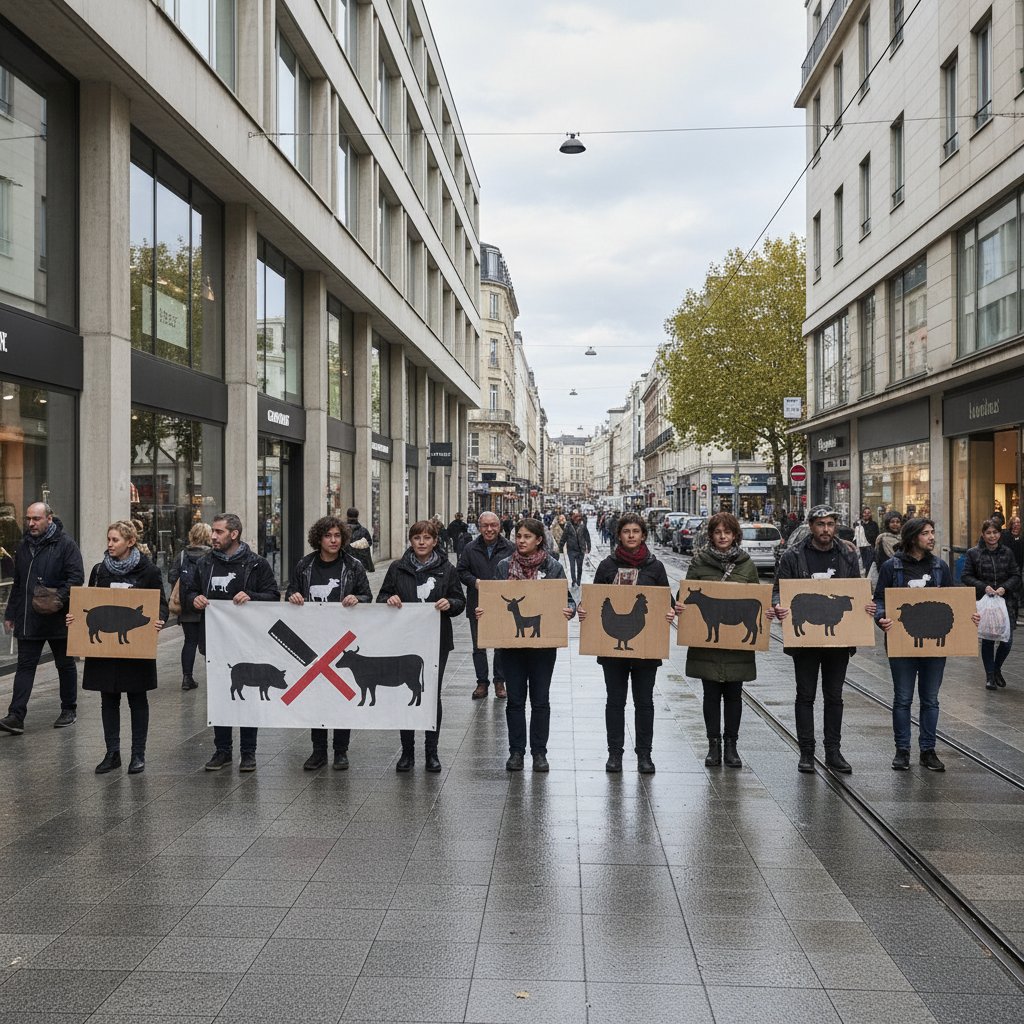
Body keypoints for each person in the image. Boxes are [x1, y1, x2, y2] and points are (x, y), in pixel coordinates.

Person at [770, 504, 875, 774]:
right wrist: (779, 606)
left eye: (830, 524)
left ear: (835, 525)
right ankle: (806, 752)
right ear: (811, 526)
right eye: (820, 524)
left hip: (838, 641)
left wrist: (867, 605)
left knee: (834, 696)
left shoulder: (848, 554)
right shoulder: (794, 555)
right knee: (805, 695)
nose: (826, 529)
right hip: (805, 642)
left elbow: (859, 587)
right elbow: (777, 591)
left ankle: (833, 751)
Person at [875, 518, 980, 770]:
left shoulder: (940, 566)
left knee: (930, 699)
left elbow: (952, 600)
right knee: (902, 698)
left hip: (934, 644)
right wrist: (881, 617)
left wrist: (970, 615)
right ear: (912, 538)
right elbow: (879, 599)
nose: (932, 537)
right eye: (926, 533)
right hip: (902, 644)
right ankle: (902, 750)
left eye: (933, 532)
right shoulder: (892, 567)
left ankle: (928, 750)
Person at [68, 520, 167, 774]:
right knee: (108, 699)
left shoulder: (149, 572)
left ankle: (138, 755)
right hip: (106, 651)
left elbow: (161, 605)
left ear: (130, 542)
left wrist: (159, 619)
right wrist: (75, 617)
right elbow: (87, 600)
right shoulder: (100, 570)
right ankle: (112, 753)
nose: (110, 544)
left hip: (135, 648)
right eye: (109, 540)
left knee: (137, 698)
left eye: (115, 540)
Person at [579, 512, 674, 774]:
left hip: (646, 649)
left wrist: (669, 612)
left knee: (644, 702)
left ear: (643, 535)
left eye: (636, 531)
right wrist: (584, 610)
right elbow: (595, 601)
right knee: (615, 701)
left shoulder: (655, 567)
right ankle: (615, 754)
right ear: (618, 535)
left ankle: (645, 754)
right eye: (626, 531)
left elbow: (669, 603)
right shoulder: (607, 566)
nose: (631, 536)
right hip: (612, 652)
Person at [183, 513, 280, 771]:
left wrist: (251, 596)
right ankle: (222, 750)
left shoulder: (257, 564)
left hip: (249, 643)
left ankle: (248, 752)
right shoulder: (204, 564)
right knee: (221, 696)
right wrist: (194, 599)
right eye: (213, 532)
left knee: (248, 696)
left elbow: (273, 596)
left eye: (219, 532)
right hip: (215, 643)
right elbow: (188, 592)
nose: (213, 536)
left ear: (233, 534)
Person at [479, 517, 576, 773]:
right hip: (511, 648)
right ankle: (516, 752)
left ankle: (539, 753)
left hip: (543, 648)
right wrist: (484, 611)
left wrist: (570, 610)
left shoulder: (553, 567)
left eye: (527, 537)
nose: (521, 541)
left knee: (541, 700)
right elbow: (494, 602)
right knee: (515, 701)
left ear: (539, 540)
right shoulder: (503, 566)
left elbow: (568, 598)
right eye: (518, 536)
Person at [377, 520, 464, 772]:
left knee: (431, 694)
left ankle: (431, 751)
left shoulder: (447, 568)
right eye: (417, 538)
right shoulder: (397, 567)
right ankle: (407, 752)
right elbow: (382, 596)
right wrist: (389, 599)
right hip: (404, 642)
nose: (422, 542)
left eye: (427, 538)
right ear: (411, 541)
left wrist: (451, 603)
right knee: (408, 693)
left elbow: (460, 600)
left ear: (435, 541)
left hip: (436, 640)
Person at [287, 515, 372, 769]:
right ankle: (318, 750)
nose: (333, 540)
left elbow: (367, 595)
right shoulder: (305, 565)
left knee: (341, 694)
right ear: (319, 539)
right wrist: (293, 596)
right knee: (317, 695)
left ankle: (341, 750)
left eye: (337, 536)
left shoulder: (353, 565)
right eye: (328, 536)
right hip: (313, 639)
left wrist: (358, 599)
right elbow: (292, 590)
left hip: (341, 640)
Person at [679, 512, 759, 769]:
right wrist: (679, 606)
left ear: (735, 535)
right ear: (711, 535)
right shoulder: (699, 563)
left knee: (735, 695)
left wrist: (768, 613)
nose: (722, 536)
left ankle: (731, 746)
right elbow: (683, 596)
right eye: (717, 532)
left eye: (727, 532)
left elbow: (759, 596)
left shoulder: (747, 565)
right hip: (707, 646)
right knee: (710, 695)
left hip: (737, 646)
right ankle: (713, 746)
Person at [0, 502, 85, 735]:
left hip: (58, 618)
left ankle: (69, 709)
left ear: (49, 517)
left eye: (36, 518)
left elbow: (76, 577)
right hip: (29, 618)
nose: (30, 523)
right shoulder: (24, 544)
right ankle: (16, 716)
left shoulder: (66, 544)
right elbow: (18, 583)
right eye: (28, 518)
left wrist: (58, 599)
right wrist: (11, 613)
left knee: (65, 664)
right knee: (25, 666)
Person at [456, 511, 514, 700]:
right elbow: (461, 571)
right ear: (479, 527)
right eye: (485, 526)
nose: (490, 529)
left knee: (500, 645)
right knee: (479, 646)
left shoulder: (510, 548)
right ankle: (482, 682)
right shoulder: (470, 548)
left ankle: (499, 682)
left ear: (499, 526)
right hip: (477, 603)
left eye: (493, 525)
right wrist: (475, 582)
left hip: (502, 605)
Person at [961, 518, 1021, 690]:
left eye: (995, 532)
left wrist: (1004, 587)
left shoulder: (1007, 552)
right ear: (983, 534)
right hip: (984, 601)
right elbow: (966, 576)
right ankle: (989, 675)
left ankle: (996, 668)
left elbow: (1016, 575)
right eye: (988, 532)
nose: (992, 536)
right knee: (987, 638)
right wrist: (982, 586)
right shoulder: (974, 553)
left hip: (1005, 601)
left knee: (1007, 639)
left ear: (1000, 534)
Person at [167, 522, 212, 691]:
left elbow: (172, 577)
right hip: (208, 606)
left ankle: (187, 678)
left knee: (190, 641)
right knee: (209, 643)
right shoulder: (213, 555)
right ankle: (213, 677)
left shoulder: (183, 555)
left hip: (187, 605)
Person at [558, 510, 592, 587]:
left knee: (579, 567)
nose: (578, 518)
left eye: (579, 517)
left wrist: (589, 547)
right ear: (573, 517)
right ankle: (574, 580)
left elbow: (587, 536)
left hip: (580, 549)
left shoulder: (582, 525)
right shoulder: (568, 526)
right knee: (572, 566)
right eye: (576, 517)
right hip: (571, 549)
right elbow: (564, 537)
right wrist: (561, 546)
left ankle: (579, 580)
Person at [344, 508, 375, 573]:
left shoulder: (341, 530)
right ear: (357, 517)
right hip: (360, 564)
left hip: (346, 562)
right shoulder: (363, 531)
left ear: (347, 516)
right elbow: (368, 545)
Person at [854, 507, 879, 574]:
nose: (867, 514)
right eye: (865, 512)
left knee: (869, 566)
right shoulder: (858, 524)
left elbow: (876, 536)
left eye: (868, 513)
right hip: (860, 548)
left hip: (869, 547)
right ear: (862, 514)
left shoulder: (874, 524)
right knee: (860, 566)